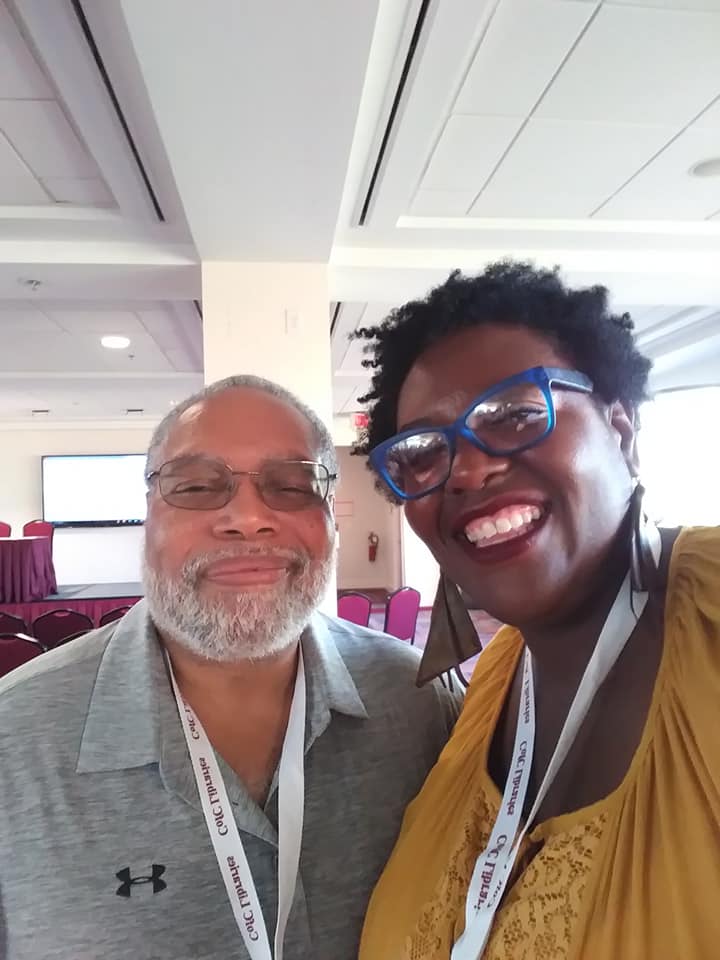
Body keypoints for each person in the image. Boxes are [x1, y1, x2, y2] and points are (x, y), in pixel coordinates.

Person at [0, 375, 460, 960]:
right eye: (195, 486)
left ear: (331, 521)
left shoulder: (424, 702)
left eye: (292, 485)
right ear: (148, 516)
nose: (247, 517)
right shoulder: (12, 743)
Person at [355, 262, 720, 960]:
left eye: (516, 414)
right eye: (425, 451)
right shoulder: (487, 687)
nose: (465, 470)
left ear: (621, 430)